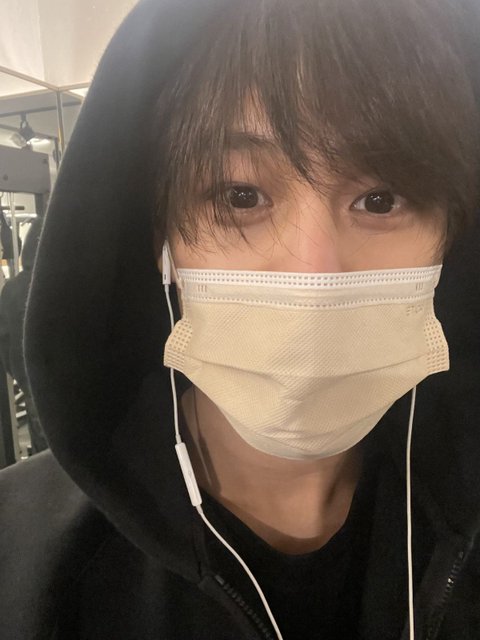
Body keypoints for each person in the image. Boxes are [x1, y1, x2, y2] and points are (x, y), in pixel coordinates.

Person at [1, 0, 480, 638]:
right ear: (162, 241)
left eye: (380, 198)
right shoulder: (21, 562)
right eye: (240, 195)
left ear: (452, 237)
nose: (314, 274)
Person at [0, 217, 48, 454]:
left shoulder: (11, 289)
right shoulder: (60, 284)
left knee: (44, 451)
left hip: (31, 384)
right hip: (65, 386)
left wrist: (22, 377)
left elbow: (5, 344)